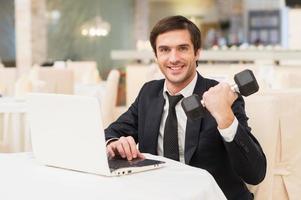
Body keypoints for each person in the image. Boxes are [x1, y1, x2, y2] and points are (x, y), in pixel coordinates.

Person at [105, 15, 266, 200]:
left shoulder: (223, 97)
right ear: (156, 55)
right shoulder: (149, 93)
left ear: (197, 52)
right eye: (164, 50)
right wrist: (114, 144)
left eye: (182, 48)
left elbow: (255, 173)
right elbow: (110, 133)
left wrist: (225, 117)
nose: (173, 58)